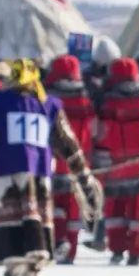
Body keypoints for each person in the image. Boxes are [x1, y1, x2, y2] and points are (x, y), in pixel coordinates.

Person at [0, 59, 101, 276]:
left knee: (12, 215)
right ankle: (34, 259)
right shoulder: (48, 104)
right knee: (35, 215)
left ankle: (13, 258)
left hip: (6, 170)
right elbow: (66, 141)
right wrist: (80, 170)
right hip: (38, 170)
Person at [94, 56, 139, 267]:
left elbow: (102, 133)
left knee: (115, 209)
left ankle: (116, 249)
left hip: (116, 163)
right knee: (138, 209)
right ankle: (137, 251)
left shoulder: (107, 102)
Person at [44, 54, 98, 264]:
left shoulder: (48, 101)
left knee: (54, 205)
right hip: (78, 162)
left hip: (53, 161)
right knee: (75, 207)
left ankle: (57, 243)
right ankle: (72, 251)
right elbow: (95, 130)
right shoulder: (86, 101)